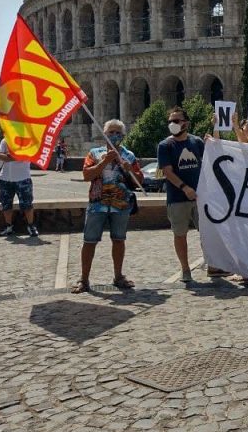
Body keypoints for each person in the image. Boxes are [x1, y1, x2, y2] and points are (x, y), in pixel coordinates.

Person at [73, 119, 142, 293]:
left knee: (119, 240)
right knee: (89, 241)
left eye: (118, 132)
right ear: (104, 134)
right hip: (98, 205)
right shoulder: (94, 153)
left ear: (123, 136)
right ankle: (84, 279)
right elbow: (87, 175)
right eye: (110, 132)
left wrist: (130, 170)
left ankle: (118, 276)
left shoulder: (129, 155)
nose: (114, 135)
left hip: (121, 205)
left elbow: (140, 182)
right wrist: (104, 162)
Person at [158, 107, 205, 283]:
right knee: (180, 234)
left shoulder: (197, 142)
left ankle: (214, 264)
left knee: (207, 232)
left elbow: (208, 162)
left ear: (186, 123)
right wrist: (185, 188)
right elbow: (167, 172)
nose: (173, 124)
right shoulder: (165, 145)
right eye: (170, 121)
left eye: (176, 121)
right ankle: (185, 269)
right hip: (177, 198)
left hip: (200, 196)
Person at [0, 137, 38, 237]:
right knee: (6, 204)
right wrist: (16, 157)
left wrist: (9, 156)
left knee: (27, 204)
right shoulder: (5, 140)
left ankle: (31, 226)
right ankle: (8, 227)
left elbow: (30, 155)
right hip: (5, 178)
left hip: (23, 178)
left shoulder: (28, 140)